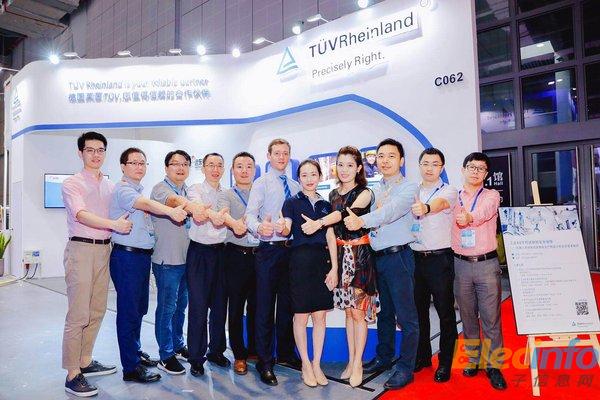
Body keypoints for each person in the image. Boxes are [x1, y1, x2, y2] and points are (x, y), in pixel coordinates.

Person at [301, 146, 379, 388]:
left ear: (359, 168)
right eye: (341, 164)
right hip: (341, 256)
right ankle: (351, 360)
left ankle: (358, 364)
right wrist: (333, 266)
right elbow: (332, 233)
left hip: (360, 255)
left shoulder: (365, 192)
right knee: (348, 312)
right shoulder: (333, 194)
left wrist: (319, 222)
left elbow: (346, 214)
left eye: (350, 165)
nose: (344, 170)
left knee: (358, 313)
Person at [344, 138, 419, 390]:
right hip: (378, 258)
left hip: (399, 258)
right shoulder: (375, 189)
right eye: (381, 156)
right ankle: (384, 357)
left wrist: (361, 221)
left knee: (406, 317)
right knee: (384, 313)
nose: (385, 161)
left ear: (401, 160)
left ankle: (405, 368)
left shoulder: (409, 187)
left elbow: (390, 212)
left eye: (391, 156)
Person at [61, 132, 132, 397]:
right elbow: (81, 214)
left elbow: (127, 204)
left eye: (100, 150)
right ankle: (72, 374)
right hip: (81, 249)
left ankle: (85, 361)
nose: (95, 155)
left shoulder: (110, 185)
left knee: (97, 310)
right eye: (90, 150)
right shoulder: (72, 183)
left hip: (105, 250)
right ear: (80, 153)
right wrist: (114, 225)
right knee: (78, 314)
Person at [109, 147, 187, 384]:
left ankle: (135, 354)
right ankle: (130, 368)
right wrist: (171, 211)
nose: (139, 167)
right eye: (133, 163)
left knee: (138, 310)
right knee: (128, 312)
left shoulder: (138, 188)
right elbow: (145, 204)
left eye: (142, 163)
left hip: (142, 257)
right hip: (127, 257)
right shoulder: (124, 189)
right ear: (123, 166)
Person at [245, 138, 302, 386]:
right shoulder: (261, 183)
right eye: (277, 153)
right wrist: (260, 227)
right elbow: (249, 215)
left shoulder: (295, 185)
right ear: (268, 156)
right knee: (265, 308)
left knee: (287, 306)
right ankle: (265, 361)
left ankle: (286, 354)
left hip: (291, 253)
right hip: (268, 252)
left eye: (285, 153)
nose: (281, 157)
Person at [150, 150, 210, 375]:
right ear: (167, 168)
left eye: (185, 164)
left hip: (187, 260)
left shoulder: (188, 190)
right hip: (167, 259)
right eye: (175, 164)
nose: (180, 168)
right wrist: (193, 207)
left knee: (181, 307)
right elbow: (174, 201)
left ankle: (177, 344)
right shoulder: (161, 189)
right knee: (166, 308)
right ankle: (165, 355)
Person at [281, 159, 338, 388]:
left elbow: (330, 236)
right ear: (299, 178)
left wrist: (334, 267)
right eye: (304, 175)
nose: (309, 179)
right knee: (301, 317)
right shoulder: (291, 202)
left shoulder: (326, 205)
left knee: (320, 316)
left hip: (322, 263)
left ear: (320, 176)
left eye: (313, 174)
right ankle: (305, 363)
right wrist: (282, 227)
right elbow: (286, 227)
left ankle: (316, 364)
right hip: (300, 263)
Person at [452, 152, 506, 390]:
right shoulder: (454, 197)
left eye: (480, 168)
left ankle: (494, 366)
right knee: (467, 317)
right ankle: (473, 360)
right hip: (460, 264)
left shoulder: (491, 195)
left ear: (486, 174)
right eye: (471, 167)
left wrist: (469, 217)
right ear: (463, 169)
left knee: (491, 318)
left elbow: (484, 213)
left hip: (486, 264)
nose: (475, 171)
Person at [410, 148, 458, 383]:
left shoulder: (449, 190)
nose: (429, 168)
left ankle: (445, 362)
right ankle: (423, 356)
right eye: (425, 163)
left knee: (445, 313)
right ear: (419, 165)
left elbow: (440, 204)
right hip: (415, 259)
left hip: (440, 260)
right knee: (418, 312)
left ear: (442, 167)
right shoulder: (412, 191)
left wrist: (426, 208)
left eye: (435, 164)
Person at [218, 151, 259, 375]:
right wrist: (235, 223)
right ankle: (239, 355)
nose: (244, 170)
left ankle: (254, 349)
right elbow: (223, 215)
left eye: (249, 166)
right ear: (233, 170)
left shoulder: (260, 192)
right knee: (235, 308)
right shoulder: (226, 194)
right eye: (240, 166)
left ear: (254, 169)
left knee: (257, 306)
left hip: (259, 256)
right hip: (235, 256)